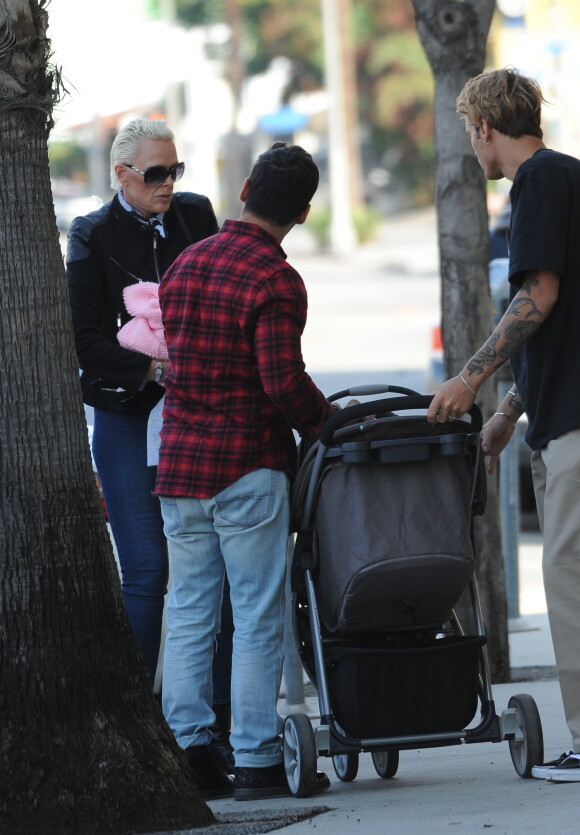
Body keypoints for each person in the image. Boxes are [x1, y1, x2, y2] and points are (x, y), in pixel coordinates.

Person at [154, 142, 333, 800]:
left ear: (245, 188)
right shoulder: (275, 279)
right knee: (257, 614)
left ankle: (190, 752)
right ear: (305, 213)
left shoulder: (185, 264)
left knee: (190, 610)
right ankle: (256, 758)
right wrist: (325, 422)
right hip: (246, 466)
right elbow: (283, 382)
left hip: (180, 467)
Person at [427, 67, 580, 782]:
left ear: (485, 127)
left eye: (469, 133)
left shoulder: (540, 183)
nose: (472, 148)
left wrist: (470, 379)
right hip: (557, 410)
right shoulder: (564, 179)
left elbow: (539, 297)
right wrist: (509, 416)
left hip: (576, 423)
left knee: (567, 576)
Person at [66, 120, 234, 771]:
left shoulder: (195, 215)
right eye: (154, 173)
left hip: (198, 413)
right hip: (129, 412)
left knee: (210, 569)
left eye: (175, 170)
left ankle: (214, 722)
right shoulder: (91, 232)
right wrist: (155, 369)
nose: (168, 185)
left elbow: (225, 296)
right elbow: (86, 343)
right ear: (121, 174)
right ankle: (139, 721)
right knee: (148, 569)